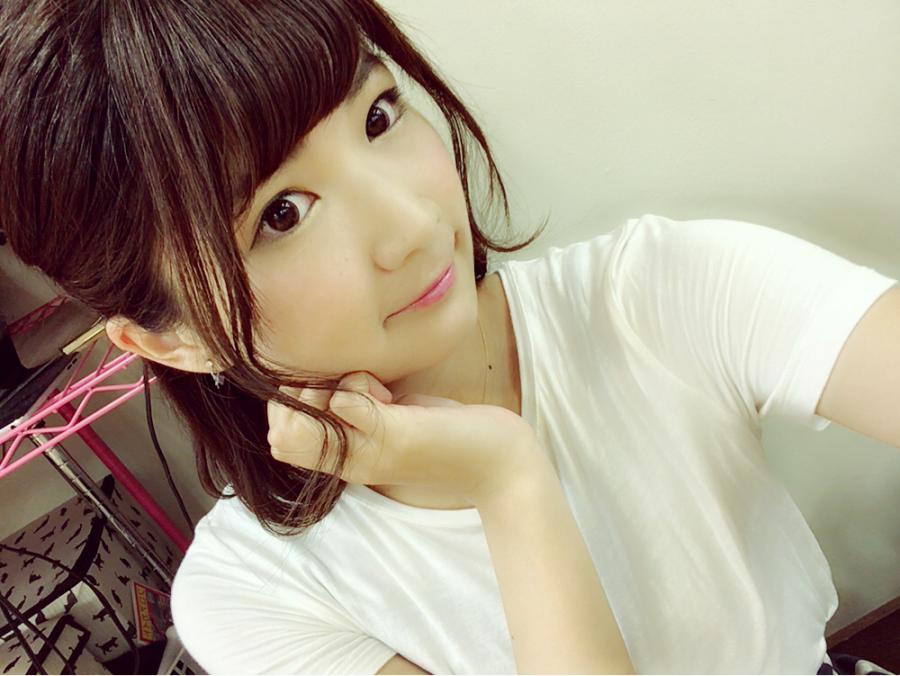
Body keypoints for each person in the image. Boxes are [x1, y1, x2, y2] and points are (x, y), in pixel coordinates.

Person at [0, 1, 895, 674]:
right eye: (282, 213)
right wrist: (508, 482)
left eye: (378, 117)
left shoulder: (655, 295)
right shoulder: (255, 595)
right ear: (174, 343)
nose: (413, 223)